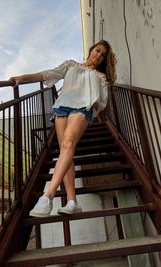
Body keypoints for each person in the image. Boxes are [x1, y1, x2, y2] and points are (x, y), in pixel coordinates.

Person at [9, 40, 117, 217]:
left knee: (68, 143)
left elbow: (102, 101)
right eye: (97, 50)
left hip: (82, 108)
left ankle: (48, 195)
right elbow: (49, 74)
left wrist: (92, 106)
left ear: (104, 59)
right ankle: (73, 201)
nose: (98, 55)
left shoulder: (100, 76)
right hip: (62, 107)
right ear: (91, 50)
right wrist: (23, 78)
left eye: (103, 54)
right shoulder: (70, 65)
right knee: (66, 152)